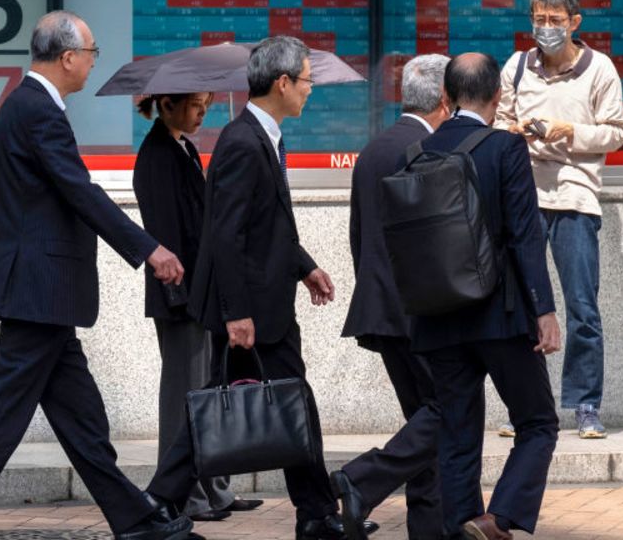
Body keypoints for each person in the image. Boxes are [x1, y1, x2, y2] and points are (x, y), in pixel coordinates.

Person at [0, 11, 192, 540]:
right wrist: (147, 248)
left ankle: (134, 521)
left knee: (82, 420)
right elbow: (78, 190)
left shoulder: (22, 107)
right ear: (67, 57)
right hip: (39, 292)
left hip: (40, 295)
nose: (92, 62)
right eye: (91, 52)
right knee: (0, 418)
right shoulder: (39, 110)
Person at [147, 36, 369, 540]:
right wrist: (237, 312)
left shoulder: (264, 136)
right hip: (249, 310)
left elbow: (271, 226)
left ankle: (312, 511)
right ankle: (161, 503)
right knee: (262, 403)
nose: (311, 90)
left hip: (265, 302)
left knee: (285, 401)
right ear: (283, 82)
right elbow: (224, 234)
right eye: (307, 80)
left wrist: (305, 266)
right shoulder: (243, 141)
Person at [411, 52, 561, 540]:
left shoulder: (419, 151)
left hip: (438, 318)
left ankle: (462, 530)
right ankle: (496, 519)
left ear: (446, 97)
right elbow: (524, 235)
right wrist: (545, 308)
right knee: (537, 421)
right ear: (498, 95)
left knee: (457, 436)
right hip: (501, 313)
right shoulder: (505, 149)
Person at [494, 0, 623, 440]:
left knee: (582, 307)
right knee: (521, 305)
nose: (545, 28)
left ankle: (586, 405)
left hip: (574, 195)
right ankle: (527, 407)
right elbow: (499, 121)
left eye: (554, 20)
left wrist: (566, 130)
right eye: (538, 19)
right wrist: (514, 133)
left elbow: (616, 131)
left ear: (575, 22)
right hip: (523, 197)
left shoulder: (600, 69)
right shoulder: (517, 65)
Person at [329, 54, 451, 540]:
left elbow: (359, 236)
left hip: (379, 307)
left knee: (422, 421)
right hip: (419, 310)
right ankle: (361, 479)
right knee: (448, 411)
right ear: (446, 98)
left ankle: (430, 525)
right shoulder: (431, 148)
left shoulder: (374, 149)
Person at [132, 91, 262, 524]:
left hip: (201, 293)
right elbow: (168, 236)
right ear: (167, 104)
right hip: (181, 296)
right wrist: (185, 296)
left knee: (207, 393)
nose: (203, 111)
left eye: (207, 102)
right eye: (195, 104)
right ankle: (183, 496)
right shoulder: (156, 156)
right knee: (182, 398)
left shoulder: (184, 148)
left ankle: (215, 488)